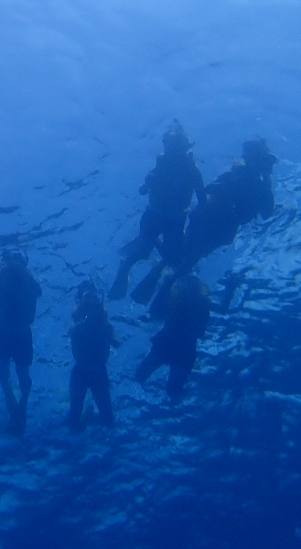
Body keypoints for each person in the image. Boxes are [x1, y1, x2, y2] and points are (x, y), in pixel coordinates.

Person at [110, 121, 206, 300]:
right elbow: (202, 200)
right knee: (151, 253)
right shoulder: (182, 171)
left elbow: (142, 190)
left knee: (165, 256)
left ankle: (136, 258)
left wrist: (150, 183)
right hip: (163, 217)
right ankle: (130, 262)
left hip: (164, 217)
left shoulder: (182, 171)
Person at [181, 138, 277, 271]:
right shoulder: (237, 177)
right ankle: (174, 272)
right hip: (210, 222)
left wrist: (266, 183)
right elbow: (209, 189)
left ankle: (174, 272)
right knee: (189, 254)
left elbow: (267, 213)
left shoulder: (256, 186)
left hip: (218, 226)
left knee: (189, 254)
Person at [0, 249, 41, 436]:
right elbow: (38, 292)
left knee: (6, 374)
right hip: (17, 331)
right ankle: (18, 408)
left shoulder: (5, 277)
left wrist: (3, 278)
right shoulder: (22, 278)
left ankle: (16, 408)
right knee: (17, 374)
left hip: (7, 331)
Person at [135, 275, 210, 398]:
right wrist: (231, 287)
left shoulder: (181, 300)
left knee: (169, 389)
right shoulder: (189, 301)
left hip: (172, 344)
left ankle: (190, 394)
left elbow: (156, 312)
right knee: (171, 390)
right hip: (179, 347)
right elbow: (223, 309)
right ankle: (191, 394)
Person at [65, 282, 116, 432]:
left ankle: (86, 417)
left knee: (108, 419)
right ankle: (83, 419)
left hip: (94, 370)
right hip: (84, 370)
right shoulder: (79, 324)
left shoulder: (105, 326)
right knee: (75, 415)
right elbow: (72, 331)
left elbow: (114, 340)